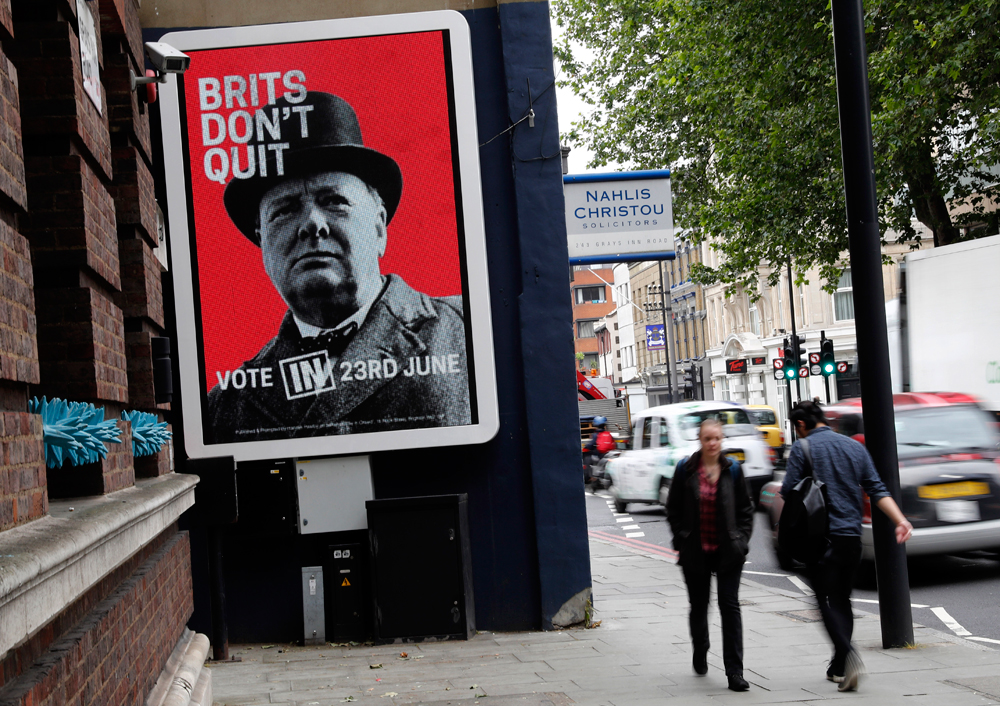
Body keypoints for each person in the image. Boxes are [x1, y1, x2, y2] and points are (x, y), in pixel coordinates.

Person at [206, 92, 470, 443]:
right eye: (284, 209)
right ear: (262, 241)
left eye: (334, 201)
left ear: (378, 226)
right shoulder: (225, 405)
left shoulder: (469, 331)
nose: (311, 224)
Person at [781, 401, 912, 692]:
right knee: (843, 599)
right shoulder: (854, 447)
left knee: (824, 600)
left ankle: (849, 655)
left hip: (820, 539)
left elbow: (788, 490)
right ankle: (839, 666)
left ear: (801, 425)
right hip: (851, 538)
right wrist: (900, 520)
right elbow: (877, 489)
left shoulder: (803, 449)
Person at [666, 419, 754, 692]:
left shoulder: (733, 470)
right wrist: (681, 536)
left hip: (728, 552)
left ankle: (735, 672)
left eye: (717, 438)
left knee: (730, 607)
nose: (713, 443)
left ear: (722, 439)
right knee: (700, 606)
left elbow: (745, 509)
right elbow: (673, 508)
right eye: (707, 439)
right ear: (700, 441)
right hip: (696, 552)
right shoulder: (686, 469)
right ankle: (700, 648)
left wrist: (741, 540)